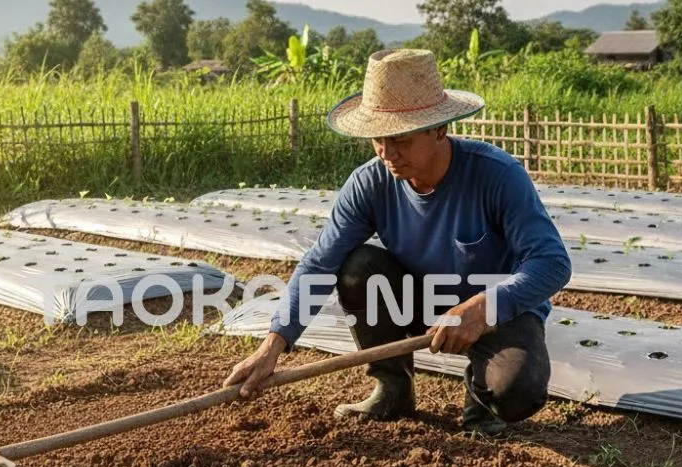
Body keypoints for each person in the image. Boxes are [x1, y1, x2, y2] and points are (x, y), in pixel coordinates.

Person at [223, 48, 572, 436]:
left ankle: (482, 399)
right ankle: (393, 388)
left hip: (497, 311)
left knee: (517, 390)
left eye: (401, 140)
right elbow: (319, 264)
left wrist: (483, 308)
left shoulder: (496, 175)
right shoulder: (370, 183)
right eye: (378, 139)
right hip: (423, 299)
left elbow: (552, 263)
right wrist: (273, 345)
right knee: (357, 267)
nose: (387, 154)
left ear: (439, 130)